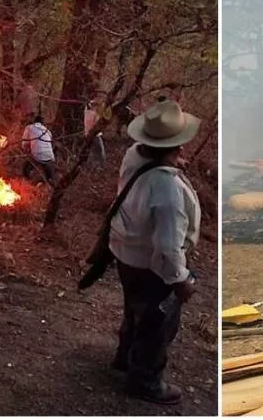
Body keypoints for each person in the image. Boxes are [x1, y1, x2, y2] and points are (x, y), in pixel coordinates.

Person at [108, 99, 201, 405]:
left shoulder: (134, 155)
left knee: (134, 310)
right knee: (157, 324)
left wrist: (169, 163)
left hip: (126, 254)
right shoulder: (167, 190)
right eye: (178, 146)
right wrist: (180, 279)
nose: (183, 150)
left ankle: (125, 358)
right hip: (152, 267)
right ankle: (146, 380)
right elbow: (167, 246)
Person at [21, 112, 56, 185]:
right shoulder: (47, 131)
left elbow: (24, 142)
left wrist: (25, 149)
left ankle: (26, 182)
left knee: (26, 168)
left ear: (34, 121)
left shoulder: (29, 128)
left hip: (37, 154)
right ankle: (48, 184)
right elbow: (49, 142)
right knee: (50, 177)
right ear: (43, 123)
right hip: (50, 156)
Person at [84, 99, 107, 167]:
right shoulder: (94, 114)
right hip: (95, 135)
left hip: (87, 135)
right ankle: (102, 166)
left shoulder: (86, 113)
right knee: (100, 151)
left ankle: (90, 166)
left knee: (92, 151)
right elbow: (97, 125)